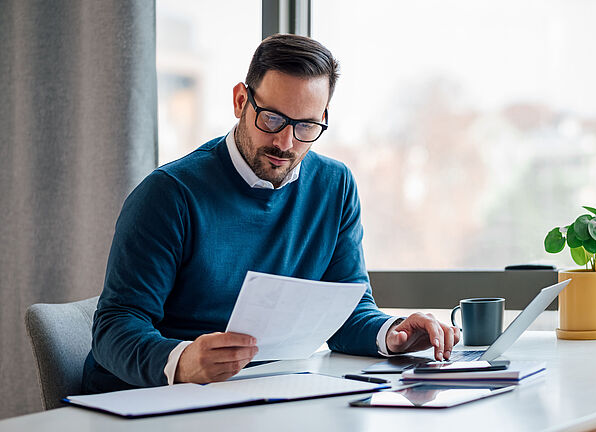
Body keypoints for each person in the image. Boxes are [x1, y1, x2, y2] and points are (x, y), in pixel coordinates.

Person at [82, 34, 460, 393]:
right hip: (149, 400)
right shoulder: (169, 195)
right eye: (273, 119)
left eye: (306, 125)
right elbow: (114, 329)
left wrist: (394, 333)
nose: (286, 142)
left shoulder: (335, 186)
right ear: (240, 101)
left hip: (263, 391)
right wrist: (182, 361)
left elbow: (347, 312)